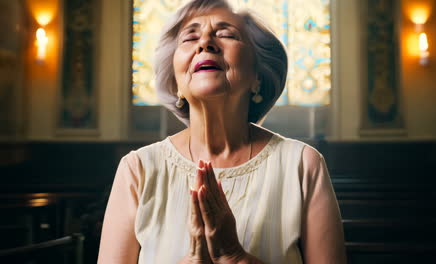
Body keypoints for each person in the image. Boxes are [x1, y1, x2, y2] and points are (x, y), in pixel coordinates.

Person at [98, 0, 346, 263]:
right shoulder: (138, 170)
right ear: (175, 83)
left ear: (257, 77)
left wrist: (235, 256)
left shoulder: (303, 165)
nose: (205, 43)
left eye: (226, 34)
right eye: (190, 37)